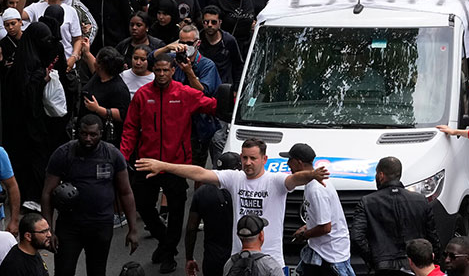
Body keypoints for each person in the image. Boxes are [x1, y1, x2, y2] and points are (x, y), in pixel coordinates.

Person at [135, 139, 331, 271]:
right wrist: (164, 166)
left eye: (253, 158)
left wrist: (312, 175)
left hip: (270, 262)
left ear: (264, 159)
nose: (248, 163)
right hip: (238, 260)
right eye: (244, 158)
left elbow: (295, 179)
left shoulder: (276, 181)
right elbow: (199, 173)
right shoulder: (234, 178)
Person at [119, 53, 217, 273]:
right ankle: (166, 244)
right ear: (153, 70)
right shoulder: (143, 95)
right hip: (146, 161)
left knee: (175, 210)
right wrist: (123, 157)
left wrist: (235, 100)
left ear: (173, 71)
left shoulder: (184, 93)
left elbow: (212, 104)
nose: (162, 74)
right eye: (158, 70)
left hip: (176, 163)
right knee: (143, 205)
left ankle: (168, 253)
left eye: (166, 70)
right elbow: (130, 128)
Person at [42, 114, 140, 276]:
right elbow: (47, 194)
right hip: (69, 227)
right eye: (84, 133)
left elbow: (126, 192)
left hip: (101, 225)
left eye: (93, 134)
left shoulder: (113, 155)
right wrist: (48, 231)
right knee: (63, 271)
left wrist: (133, 229)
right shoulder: (63, 154)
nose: (88, 138)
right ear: (77, 132)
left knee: (97, 271)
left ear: (102, 133)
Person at [350, 157, 439, 276]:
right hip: (415, 265)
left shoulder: (367, 202)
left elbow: (356, 237)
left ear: (381, 175)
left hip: (383, 266)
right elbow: (432, 235)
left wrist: (373, 258)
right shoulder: (420, 200)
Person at [283, 143, 355, 276]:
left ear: (299, 163)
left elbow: (326, 227)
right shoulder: (311, 184)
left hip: (330, 256)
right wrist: (306, 227)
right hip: (320, 251)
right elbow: (322, 217)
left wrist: (304, 235)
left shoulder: (317, 189)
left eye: (290, 160)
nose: (288, 164)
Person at [186, 152, 240, 276]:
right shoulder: (243, 190)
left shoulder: (202, 192)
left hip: (212, 257)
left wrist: (189, 257)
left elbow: (191, 229)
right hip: (238, 255)